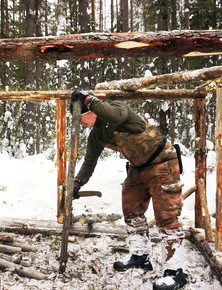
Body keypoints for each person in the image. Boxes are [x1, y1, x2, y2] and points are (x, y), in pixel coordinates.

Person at [70, 90, 187, 290]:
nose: (79, 123)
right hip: (137, 168)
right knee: (132, 212)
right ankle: (140, 256)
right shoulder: (97, 134)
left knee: (167, 218)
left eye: (79, 118)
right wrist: (78, 181)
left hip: (162, 164)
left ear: (90, 110)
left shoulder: (117, 109)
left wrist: (88, 98)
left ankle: (175, 272)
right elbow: (90, 160)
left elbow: (114, 116)